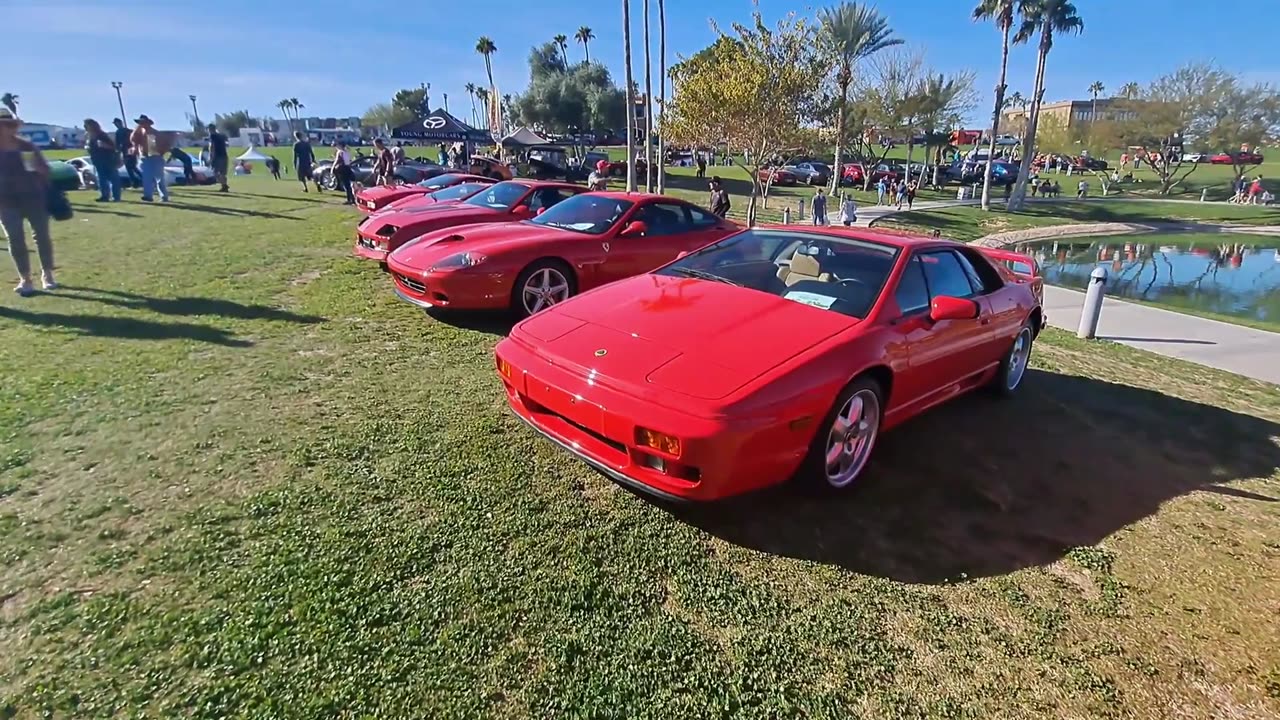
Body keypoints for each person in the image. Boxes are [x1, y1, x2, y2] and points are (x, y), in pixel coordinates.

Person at [0, 108, 56, 296]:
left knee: (41, 236)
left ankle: (47, 274)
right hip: (5, 201)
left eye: (9, 125)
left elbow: (45, 170)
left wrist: (39, 169)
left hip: (33, 197)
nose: (6, 129)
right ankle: (25, 278)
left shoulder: (26, 147)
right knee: (15, 239)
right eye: (3, 126)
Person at [130, 114, 169, 202]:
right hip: (145, 158)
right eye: (140, 123)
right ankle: (148, 196)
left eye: (143, 122)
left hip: (155, 157)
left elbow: (154, 148)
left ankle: (164, 196)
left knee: (159, 178)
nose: (142, 124)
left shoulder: (153, 133)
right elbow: (133, 141)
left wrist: (161, 152)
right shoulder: (138, 132)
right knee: (147, 177)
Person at [83, 118, 121, 202]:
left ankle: (116, 197)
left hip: (108, 160)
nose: (85, 127)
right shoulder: (89, 136)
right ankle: (105, 196)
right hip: (97, 161)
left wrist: (104, 145)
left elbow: (113, 147)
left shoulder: (101, 135)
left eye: (87, 125)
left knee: (113, 178)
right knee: (102, 179)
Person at [112, 118, 141, 189]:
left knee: (130, 167)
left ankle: (136, 182)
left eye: (117, 123)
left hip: (129, 151)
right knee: (132, 167)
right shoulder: (122, 131)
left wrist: (118, 149)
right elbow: (117, 143)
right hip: (126, 151)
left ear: (120, 123)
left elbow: (119, 143)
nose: (116, 125)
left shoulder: (125, 131)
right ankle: (137, 181)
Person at [206, 124, 230, 192]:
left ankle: (224, 185)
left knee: (216, 173)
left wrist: (210, 157)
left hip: (217, 157)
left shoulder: (212, 136)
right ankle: (224, 186)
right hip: (224, 156)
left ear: (210, 129)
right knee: (222, 173)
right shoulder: (220, 136)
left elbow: (212, 147)